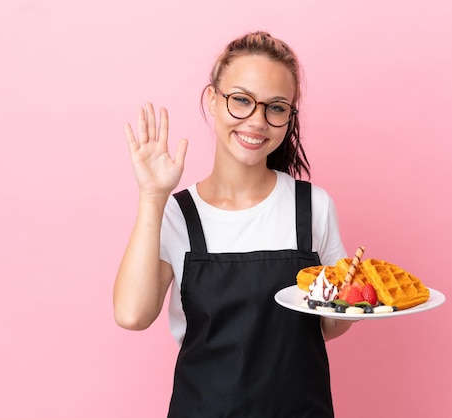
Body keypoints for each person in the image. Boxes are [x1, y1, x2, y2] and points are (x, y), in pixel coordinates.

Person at [114, 31, 352, 417]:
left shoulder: (312, 207)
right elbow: (132, 315)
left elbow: (330, 326)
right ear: (212, 99)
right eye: (241, 100)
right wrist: (152, 196)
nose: (257, 121)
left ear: (290, 115)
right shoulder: (176, 213)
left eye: (276, 107)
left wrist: (351, 300)